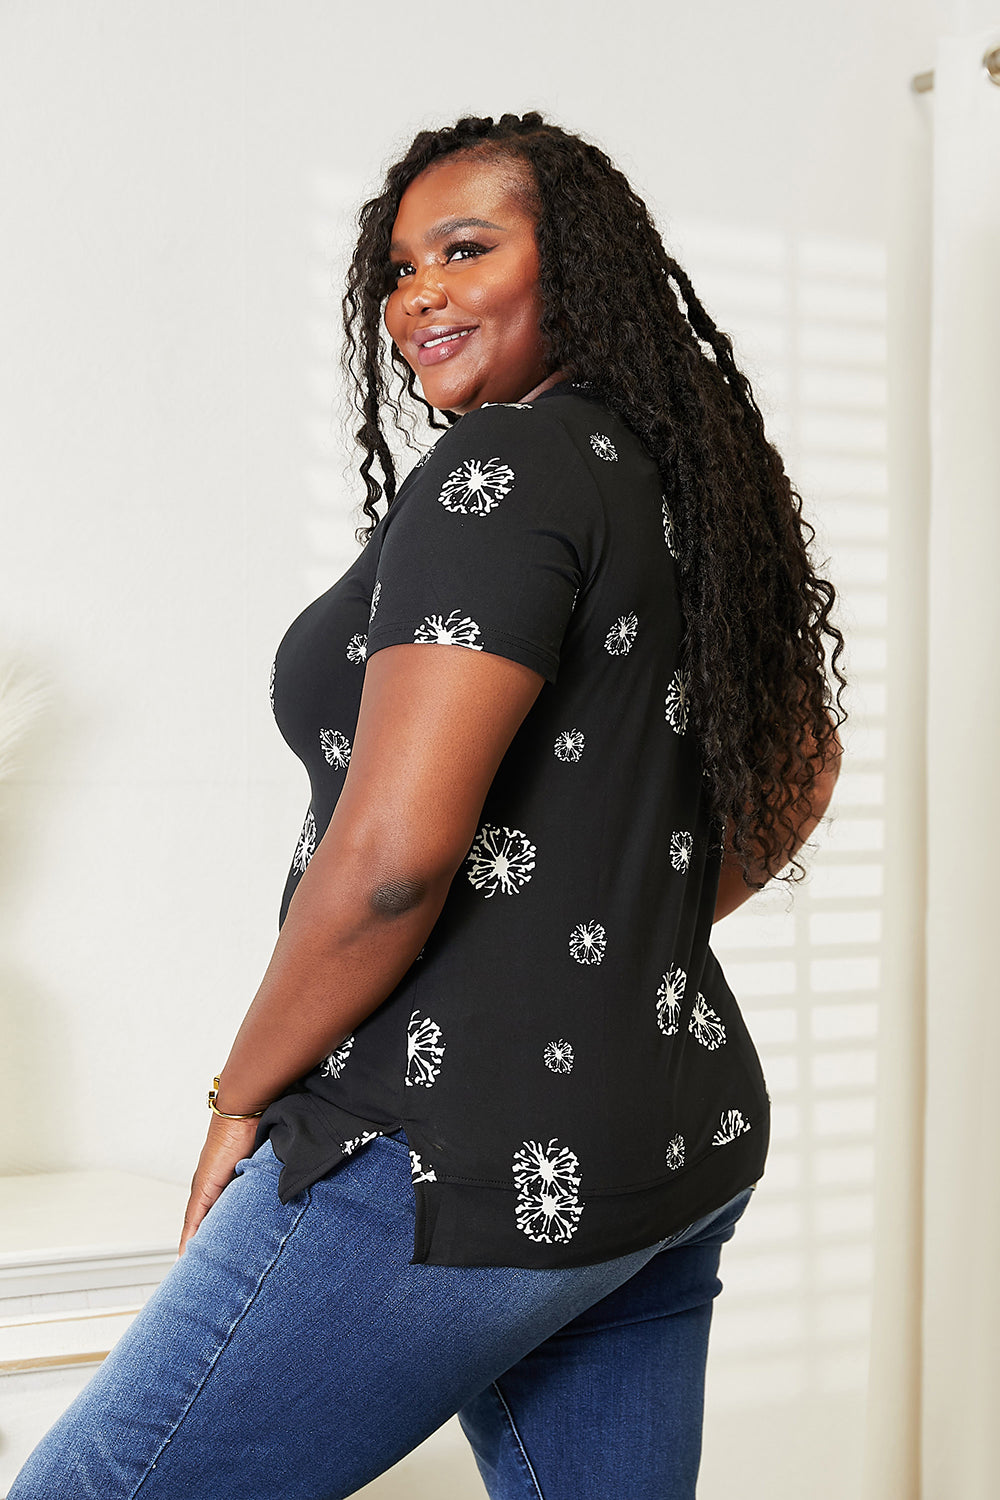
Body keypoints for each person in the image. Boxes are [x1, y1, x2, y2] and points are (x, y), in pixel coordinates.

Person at [10, 112, 845, 1500]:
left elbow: (392, 863)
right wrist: (610, 942)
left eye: (467, 249)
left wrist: (239, 1098)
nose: (421, 296)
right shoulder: (681, 483)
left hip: (444, 1149)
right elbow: (798, 761)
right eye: (400, 270)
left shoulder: (500, 472)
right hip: (673, 1137)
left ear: (572, 268)